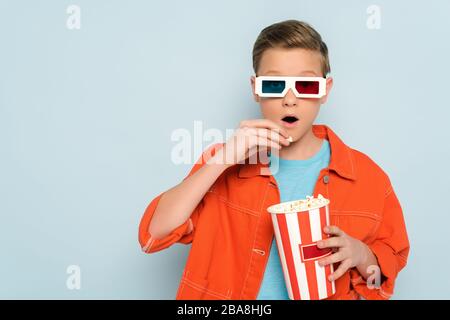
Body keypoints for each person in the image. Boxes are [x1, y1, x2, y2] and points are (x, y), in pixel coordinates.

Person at [138, 19, 410, 300]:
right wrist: (223, 159)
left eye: (305, 85)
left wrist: (362, 254)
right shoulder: (222, 165)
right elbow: (155, 233)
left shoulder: (367, 177)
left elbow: (384, 271)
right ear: (256, 88)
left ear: (326, 90)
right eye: (275, 84)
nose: (289, 99)